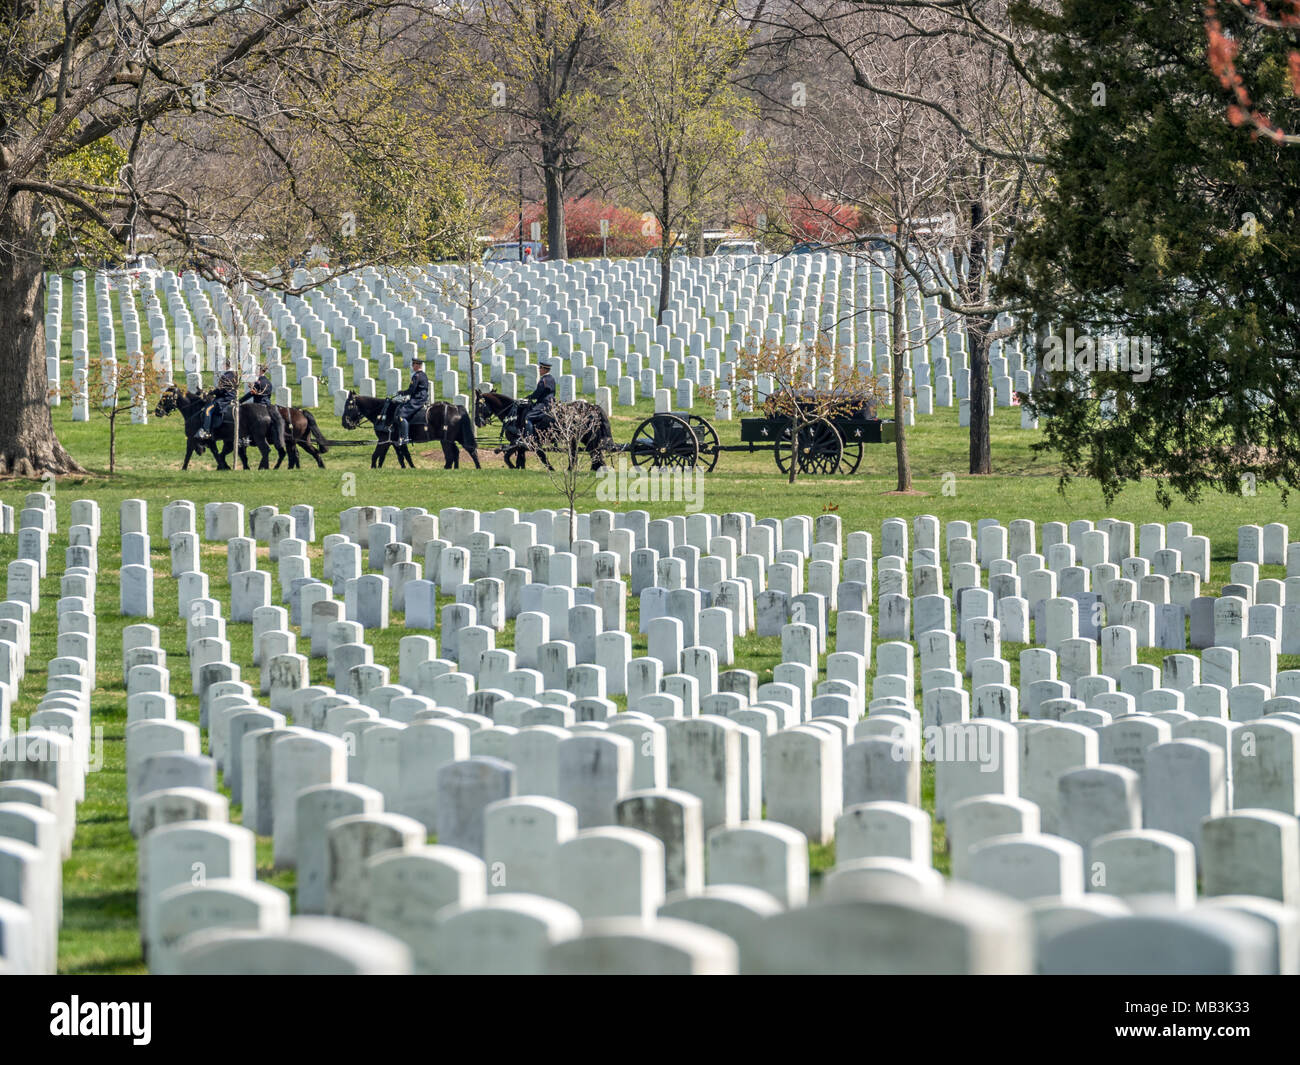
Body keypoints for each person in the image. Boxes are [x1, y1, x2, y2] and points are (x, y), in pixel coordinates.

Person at [241, 362, 285, 445]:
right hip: (267, 404)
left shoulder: (259, 382)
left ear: (261, 371)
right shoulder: (269, 382)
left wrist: (240, 401)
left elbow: (251, 393)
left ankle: (246, 438)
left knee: (245, 417)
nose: (255, 371)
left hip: (258, 405)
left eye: (257, 370)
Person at [393, 357, 430, 445]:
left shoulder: (416, 376)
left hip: (417, 399)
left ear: (417, 365)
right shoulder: (423, 374)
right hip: (421, 397)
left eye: (414, 364)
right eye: (413, 364)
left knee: (401, 415)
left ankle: (405, 437)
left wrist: (401, 393)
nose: (413, 366)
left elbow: (411, 390)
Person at [197, 370, 238, 440]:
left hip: (224, 399)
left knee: (208, 410)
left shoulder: (227, 375)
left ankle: (206, 431)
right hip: (231, 397)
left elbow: (221, 390)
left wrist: (212, 393)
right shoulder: (233, 373)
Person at [523, 359, 557, 437]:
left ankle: (529, 438)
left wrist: (529, 397)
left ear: (545, 369)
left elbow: (538, 393)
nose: (539, 370)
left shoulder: (543, 380)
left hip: (543, 404)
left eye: (540, 368)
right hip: (551, 403)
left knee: (528, 417)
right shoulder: (552, 378)